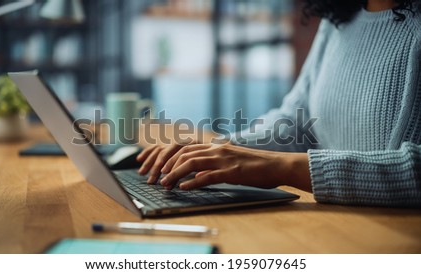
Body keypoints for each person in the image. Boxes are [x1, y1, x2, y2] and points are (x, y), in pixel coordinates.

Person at [136, 0, 421, 207]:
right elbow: (296, 122)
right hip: (328, 221)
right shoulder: (339, 18)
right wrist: (221, 150)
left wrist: (282, 167)